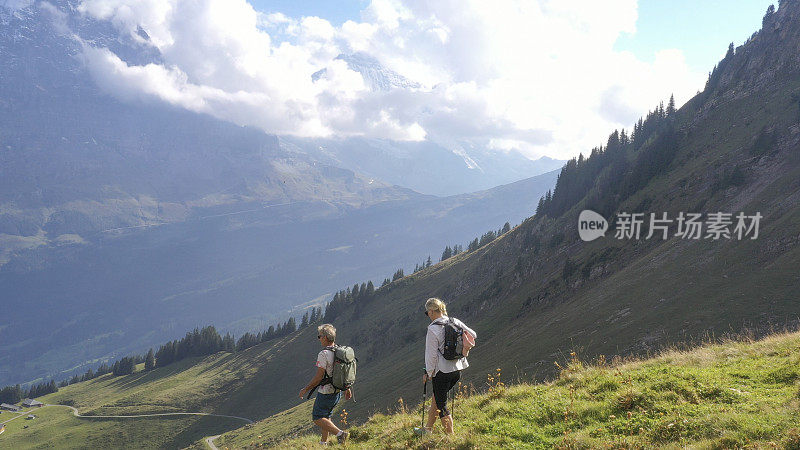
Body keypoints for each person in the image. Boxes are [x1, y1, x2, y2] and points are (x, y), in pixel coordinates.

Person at [422, 297, 476, 435]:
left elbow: (431, 355)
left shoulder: (433, 329)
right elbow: (473, 334)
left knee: (442, 406)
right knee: (438, 396)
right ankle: (427, 429)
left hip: (442, 372)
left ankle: (451, 438)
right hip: (457, 369)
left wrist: (428, 373)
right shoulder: (454, 321)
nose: (428, 315)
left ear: (432, 312)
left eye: (427, 312)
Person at [299, 324, 352, 445]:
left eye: (320, 336)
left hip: (326, 391)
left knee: (317, 418)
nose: (319, 339)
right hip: (337, 391)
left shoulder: (323, 354)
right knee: (326, 416)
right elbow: (345, 372)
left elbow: (318, 378)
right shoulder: (339, 351)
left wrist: (305, 389)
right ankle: (323, 443)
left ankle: (340, 434)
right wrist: (347, 388)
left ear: (325, 337)